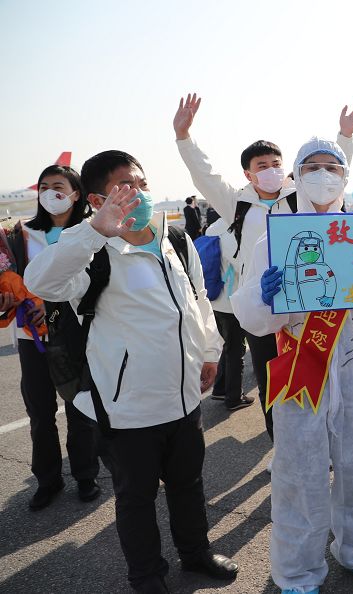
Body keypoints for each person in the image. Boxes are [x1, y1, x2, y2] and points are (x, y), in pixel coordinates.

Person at [24, 150, 236, 593]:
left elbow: (198, 301)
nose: (138, 193)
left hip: (184, 396)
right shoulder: (91, 251)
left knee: (188, 483)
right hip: (127, 407)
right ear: (97, 199)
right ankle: (146, 575)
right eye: (125, 187)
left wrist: (210, 352)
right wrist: (93, 232)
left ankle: (195, 553)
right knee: (136, 497)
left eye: (141, 183)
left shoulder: (174, 238)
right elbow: (40, 282)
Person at [230, 137, 353, 594]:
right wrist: (264, 297)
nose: (323, 175)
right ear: (297, 174)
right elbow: (252, 316)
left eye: (333, 167)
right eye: (312, 167)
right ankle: (297, 571)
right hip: (301, 364)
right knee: (300, 471)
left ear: (346, 176)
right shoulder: (274, 237)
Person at [174, 93, 353, 443]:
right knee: (271, 378)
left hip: (304, 303)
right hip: (262, 302)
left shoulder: (300, 196)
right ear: (248, 173)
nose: (271, 170)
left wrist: (345, 137)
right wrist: (184, 138)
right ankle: (282, 445)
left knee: (315, 376)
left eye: (276, 163)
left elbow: (330, 173)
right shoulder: (236, 203)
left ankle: (320, 441)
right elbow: (205, 175)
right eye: (261, 166)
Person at [1, 165, 101, 510]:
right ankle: (48, 479)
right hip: (33, 340)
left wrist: (53, 304)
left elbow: (97, 281)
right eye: (44, 187)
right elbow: (14, 282)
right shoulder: (20, 235)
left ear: (76, 193)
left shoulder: (91, 231)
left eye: (58, 186)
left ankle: (86, 474)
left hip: (76, 335)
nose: (49, 193)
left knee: (80, 407)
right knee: (40, 413)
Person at [204, 216, 253, 411]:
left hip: (216, 299)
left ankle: (220, 388)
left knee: (227, 347)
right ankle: (234, 397)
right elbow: (242, 265)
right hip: (231, 302)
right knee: (235, 351)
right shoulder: (231, 232)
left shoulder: (213, 228)